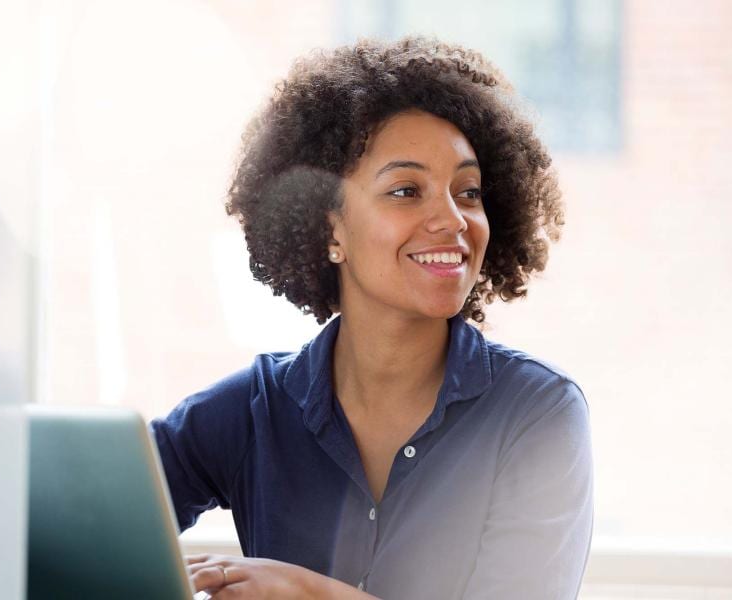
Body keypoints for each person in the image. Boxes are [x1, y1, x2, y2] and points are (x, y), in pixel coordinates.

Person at [150, 36, 593, 599]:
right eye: (407, 190)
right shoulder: (251, 412)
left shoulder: (536, 414)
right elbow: (83, 524)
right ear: (329, 228)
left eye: (469, 191)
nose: (452, 219)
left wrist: (307, 592)